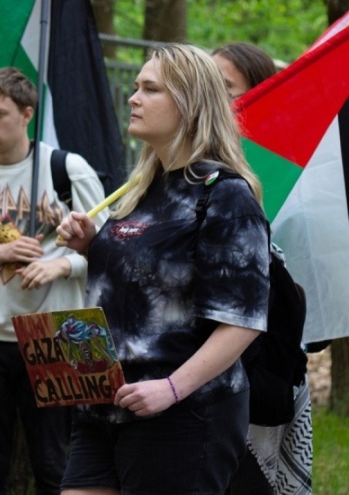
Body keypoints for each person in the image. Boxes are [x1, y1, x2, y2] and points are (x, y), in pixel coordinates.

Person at [55, 43, 269, 495]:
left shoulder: (225, 195)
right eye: (136, 87)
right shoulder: (139, 188)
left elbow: (243, 321)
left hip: (183, 413)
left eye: (150, 89)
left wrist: (170, 389)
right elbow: (149, 278)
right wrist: (94, 247)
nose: (133, 97)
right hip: (104, 405)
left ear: (191, 105)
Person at [0, 67, 107, 494]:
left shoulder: (68, 170)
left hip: (60, 332)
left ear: (27, 114)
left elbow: (112, 248)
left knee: (57, 463)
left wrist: (62, 265)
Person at [213, 42, 313, 495]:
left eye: (226, 90)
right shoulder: (185, 173)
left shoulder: (286, 183)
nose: (211, 100)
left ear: (261, 98)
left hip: (258, 379)